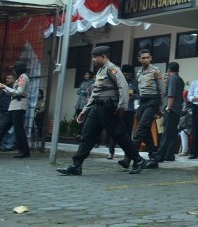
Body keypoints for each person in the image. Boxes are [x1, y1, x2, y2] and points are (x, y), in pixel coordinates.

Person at [57, 46, 146, 176]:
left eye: (95, 57)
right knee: (87, 136)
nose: (93, 60)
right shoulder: (100, 71)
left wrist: (122, 107)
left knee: (120, 136)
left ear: (103, 56)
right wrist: (85, 110)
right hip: (96, 109)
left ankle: (138, 160)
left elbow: (124, 87)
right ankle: (76, 165)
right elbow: (95, 93)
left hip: (108, 109)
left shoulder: (112, 69)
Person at [123, 49, 163, 171]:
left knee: (140, 130)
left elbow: (161, 90)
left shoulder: (155, 71)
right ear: (139, 59)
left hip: (153, 101)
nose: (145, 59)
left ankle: (129, 158)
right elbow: (139, 91)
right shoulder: (139, 73)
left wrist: (160, 107)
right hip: (143, 102)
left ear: (151, 58)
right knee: (145, 131)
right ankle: (153, 158)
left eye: (147, 57)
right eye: (143, 58)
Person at [0, 62, 31, 158]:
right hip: (14, 107)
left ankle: (24, 151)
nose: (13, 70)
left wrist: (5, 87)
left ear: (19, 68)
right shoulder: (21, 77)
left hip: (18, 106)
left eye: (14, 68)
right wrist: (3, 88)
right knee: (3, 128)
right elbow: (14, 93)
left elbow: (19, 92)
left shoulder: (22, 77)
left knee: (18, 130)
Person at [152, 62, 184, 166]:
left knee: (166, 133)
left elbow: (171, 95)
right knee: (172, 133)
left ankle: (160, 155)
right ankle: (170, 154)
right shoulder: (180, 79)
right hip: (177, 109)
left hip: (171, 109)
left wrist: (168, 108)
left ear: (169, 70)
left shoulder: (172, 79)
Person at [106, 65, 137, 160]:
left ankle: (127, 154)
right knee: (114, 131)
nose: (127, 76)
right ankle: (111, 152)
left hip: (130, 110)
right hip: (118, 109)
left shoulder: (134, 82)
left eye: (129, 75)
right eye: (125, 74)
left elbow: (139, 94)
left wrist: (133, 96)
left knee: (127, 132)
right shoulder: (117, 81)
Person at [74, 71, 94, 139]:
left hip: (85, 104)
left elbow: (90, 93)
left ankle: (84, 135)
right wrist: (83, 92)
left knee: (84, 120)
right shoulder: (83, 83)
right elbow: (78, 91)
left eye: (87, 74)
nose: (85, 75)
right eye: (85, 74)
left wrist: (83, 92)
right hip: (79, 104)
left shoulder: (92, 83)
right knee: (79, 119)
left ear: (90, 75)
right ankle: (79, 134)